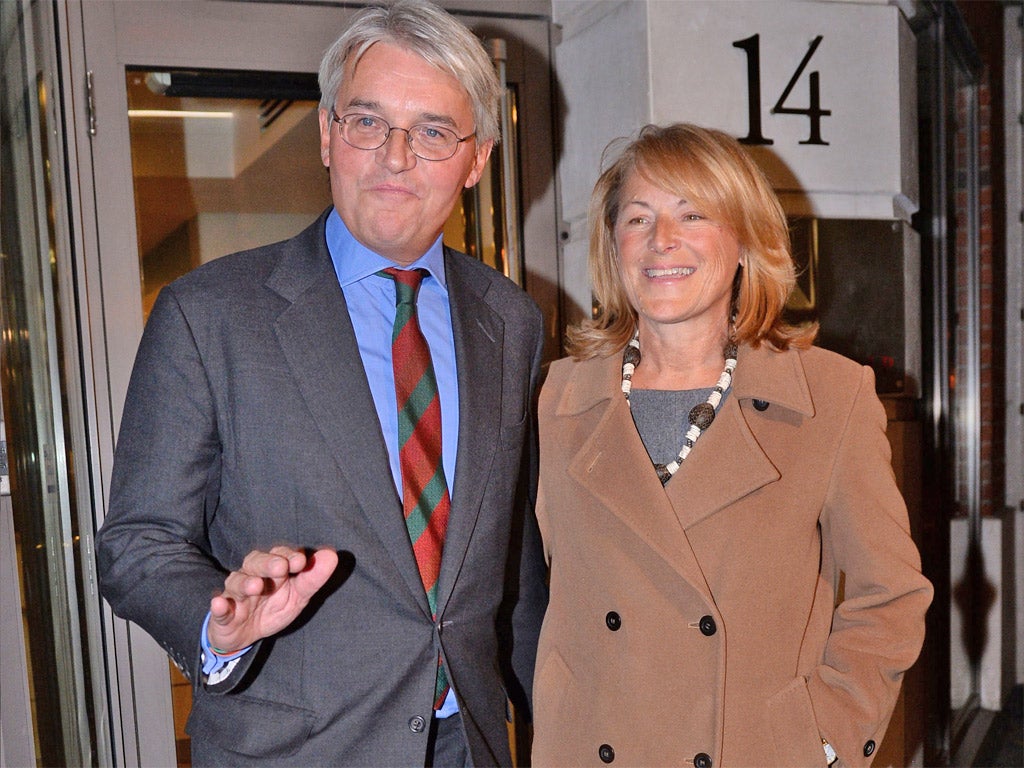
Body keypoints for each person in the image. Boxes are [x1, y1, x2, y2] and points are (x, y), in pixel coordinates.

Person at [95, 2, 547, 765]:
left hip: (469, 745)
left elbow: (517, 565)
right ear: (328, 136)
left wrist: (557, 723)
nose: (396, 157)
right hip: (292, 749)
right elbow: (138, 543)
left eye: (434, 132)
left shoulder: (513, 321)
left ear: (477, 160)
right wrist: (219, 621)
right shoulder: (210, 314)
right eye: (368, 122)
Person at [531, 123, 933, 767]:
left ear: (745, 239)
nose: (663, 240)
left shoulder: (830, 397)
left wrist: (825, 738)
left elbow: (889, 595)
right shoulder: (557, 398)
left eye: (694, 214)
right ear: (614, 247)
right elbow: (534, 591)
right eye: (639, 218)